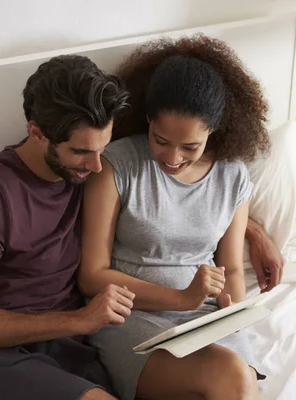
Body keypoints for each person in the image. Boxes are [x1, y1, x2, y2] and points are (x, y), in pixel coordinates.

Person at [78, 35, 281, 400]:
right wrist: (182, 298)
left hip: (206, 315)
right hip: (134, 316)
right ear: (147, 120)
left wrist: (230, 311)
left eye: (190, 146)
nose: (172, 157)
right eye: (160, 140)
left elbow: (231, 268)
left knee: (233, 381)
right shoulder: (116, 166)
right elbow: (92, 276)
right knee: (233, 379)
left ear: (213, 131)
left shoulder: (234, 178)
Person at [0, 55, 134, 400]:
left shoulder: (87, 174)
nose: (97, 166)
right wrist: (78, 320)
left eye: (103, 148)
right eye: (81, 152)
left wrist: (249, 228)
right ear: (36, 132)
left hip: (66, 353)